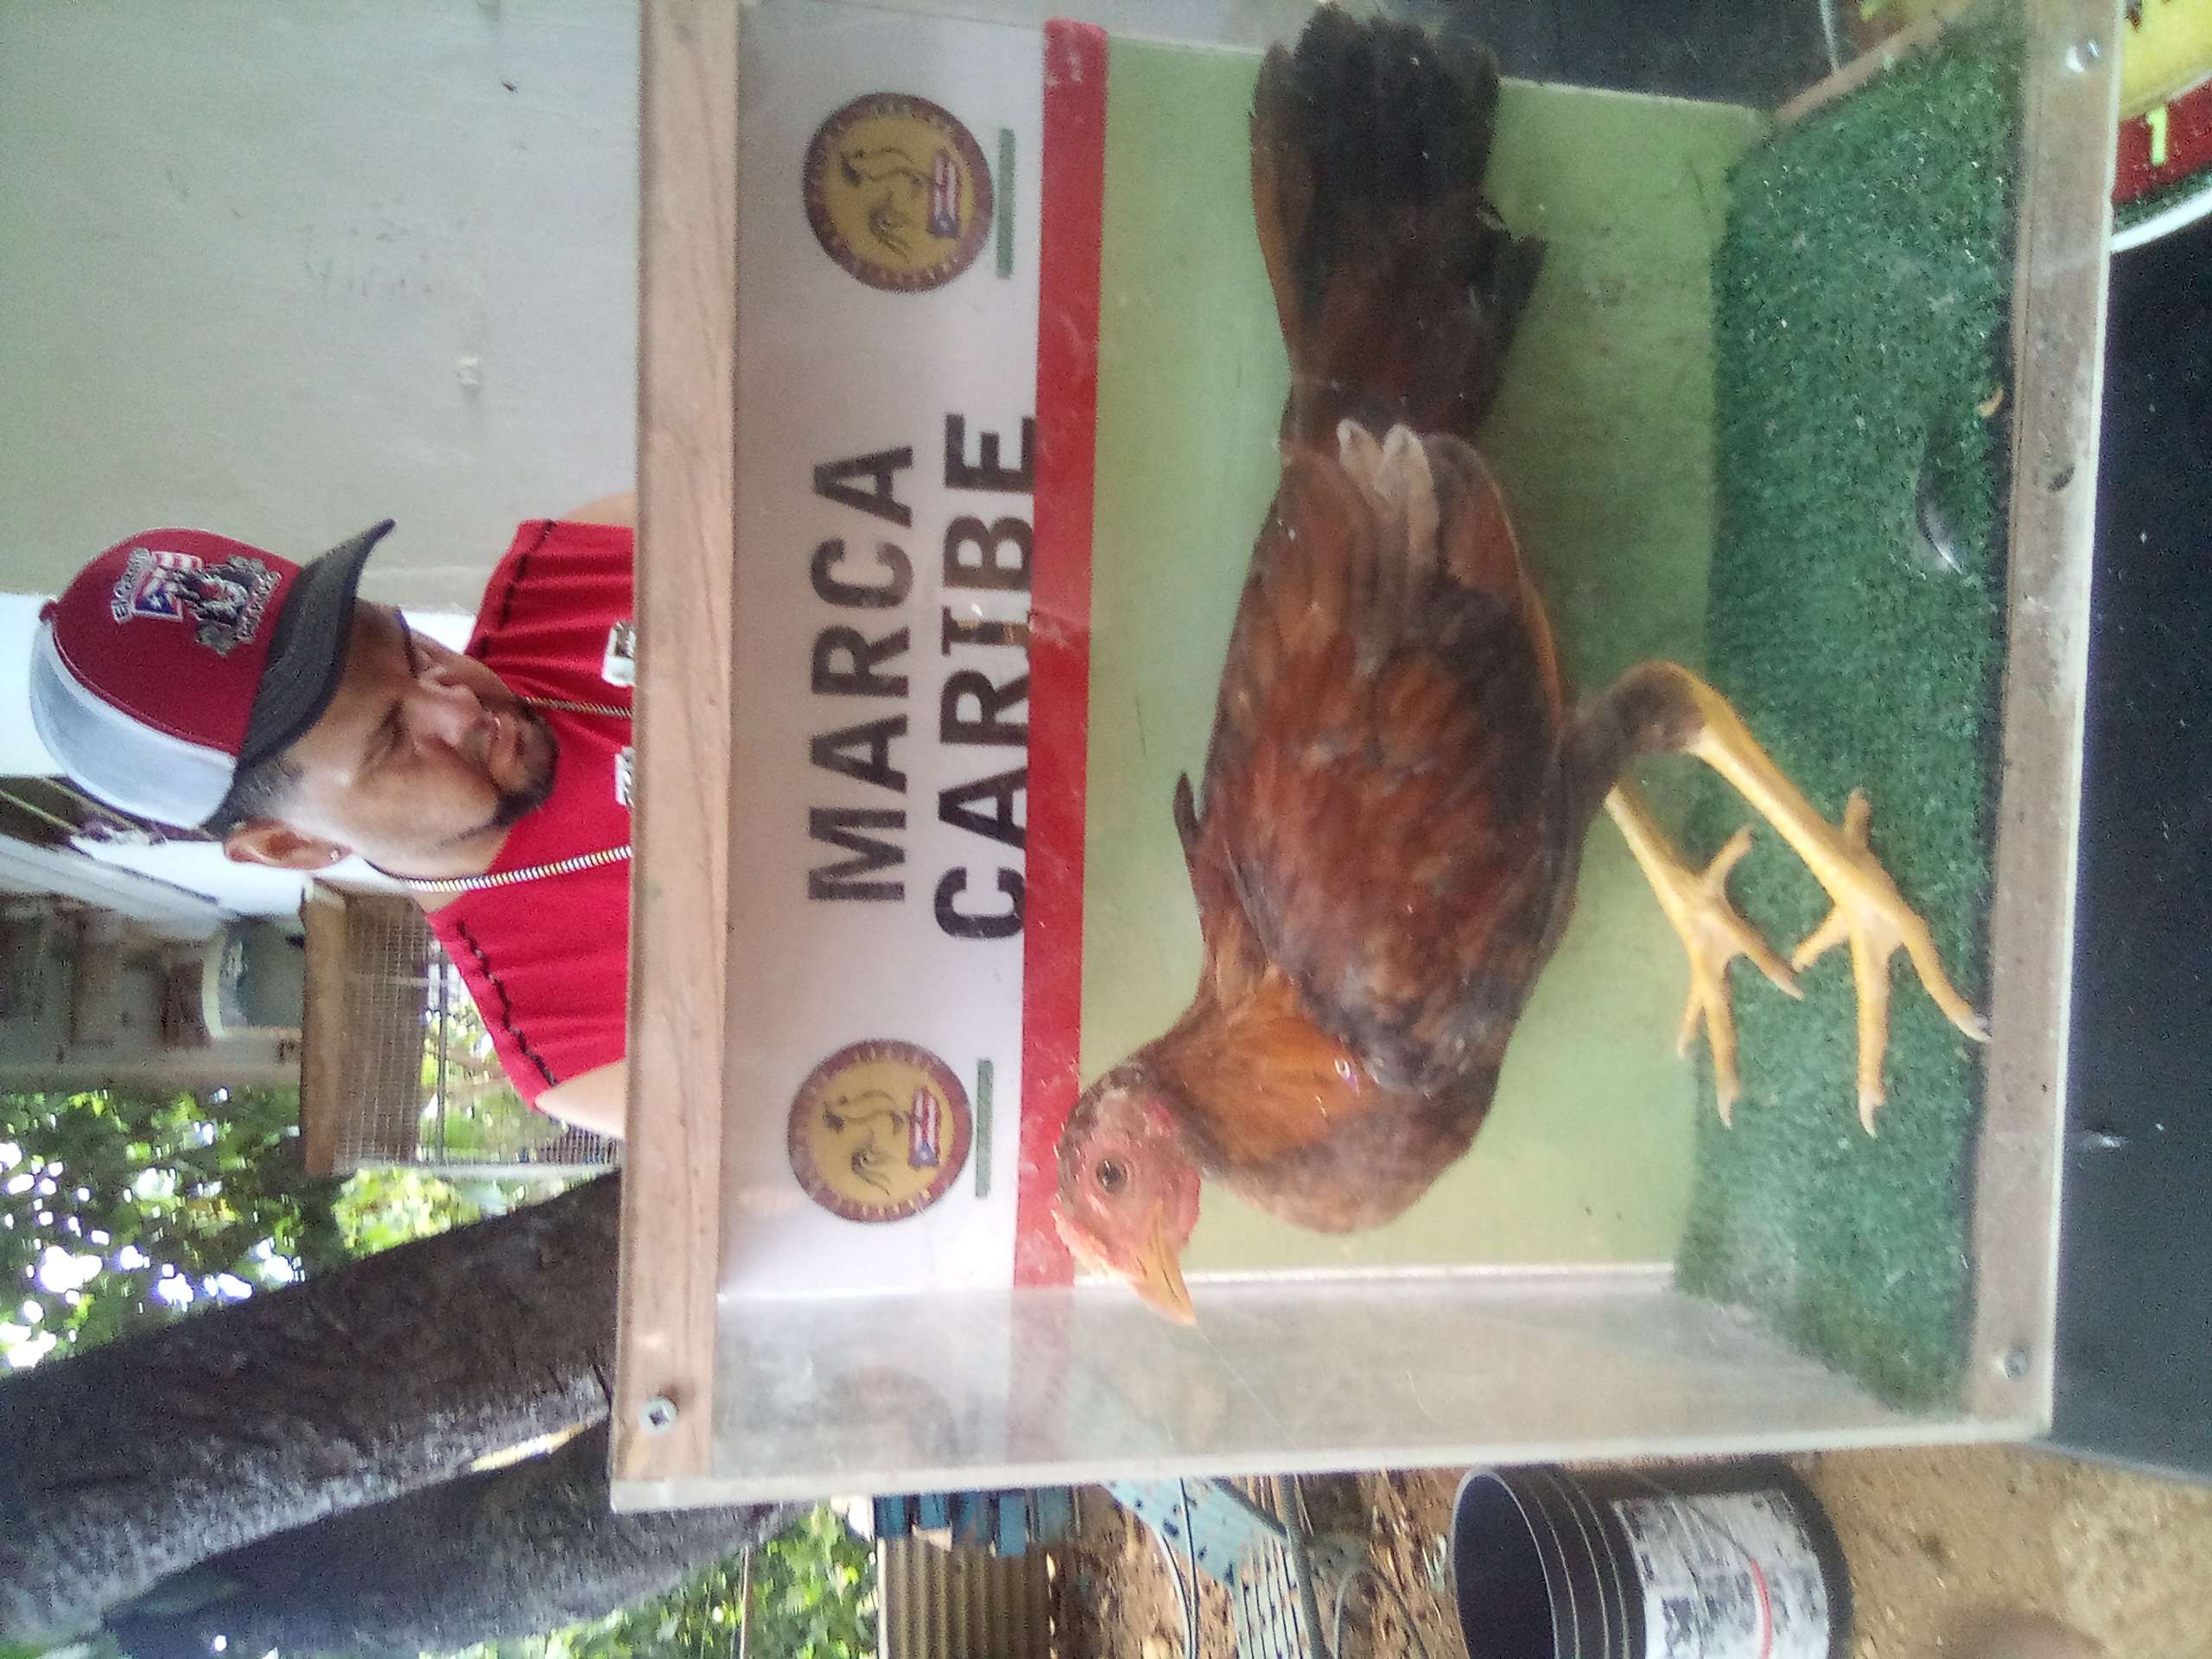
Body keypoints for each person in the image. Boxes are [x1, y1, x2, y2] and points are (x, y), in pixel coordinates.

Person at [28, 499, 639, 1137]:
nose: (460, 707)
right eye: (392, 739)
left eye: (417, 656)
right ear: (290, 845)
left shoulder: (581, 562)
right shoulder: (586, 1048)